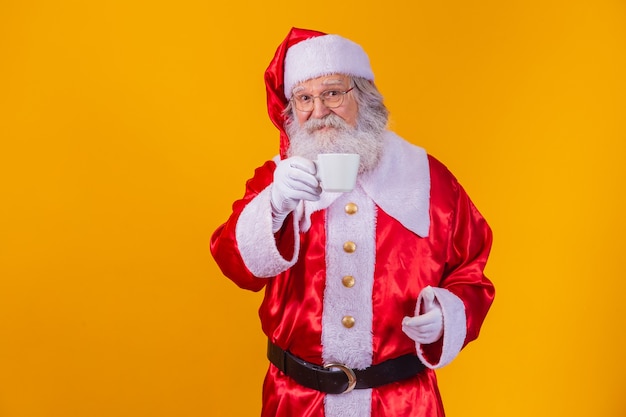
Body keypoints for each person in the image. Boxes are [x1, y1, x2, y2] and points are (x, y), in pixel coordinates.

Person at [210, 27, 495, 417]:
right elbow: (234, 265)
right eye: (304, 98)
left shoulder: (428, 179)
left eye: (332, 93)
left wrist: (446, 315)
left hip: (401, 404)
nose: (319, 111)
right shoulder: (276, 179)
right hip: (296, 402)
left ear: (363, 96)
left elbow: (471, 271)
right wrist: (274, 205)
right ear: (291, 111)